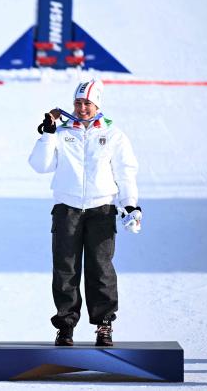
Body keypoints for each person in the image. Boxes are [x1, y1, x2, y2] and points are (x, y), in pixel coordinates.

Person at [28, 78, 141, 346]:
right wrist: (47, 133)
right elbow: (40, 165)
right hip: (67, 210)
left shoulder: (114, 135)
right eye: (78, 103)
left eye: (87, 103)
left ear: (97, 103)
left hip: (101, 210)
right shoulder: (62, 132)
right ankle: (66, 325)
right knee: (65, 269)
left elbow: (126, 173)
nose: (81, 108)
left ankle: (104, 324)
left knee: (100, 268)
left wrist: (130, 204)